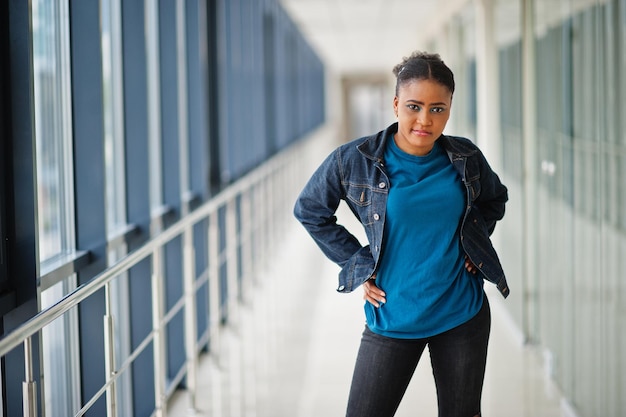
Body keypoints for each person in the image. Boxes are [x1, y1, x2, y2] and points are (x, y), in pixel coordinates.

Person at [293, 51, 509, 417]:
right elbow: (310, 210)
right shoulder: (353, 159)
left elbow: (494, 198)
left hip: (462, 315)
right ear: (395, 104)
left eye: (437, 109)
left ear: (450, 108)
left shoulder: (466, 156)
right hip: (392, 317)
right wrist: (358, 262)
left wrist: (473, 247)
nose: (425, 120)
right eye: (414, 106)